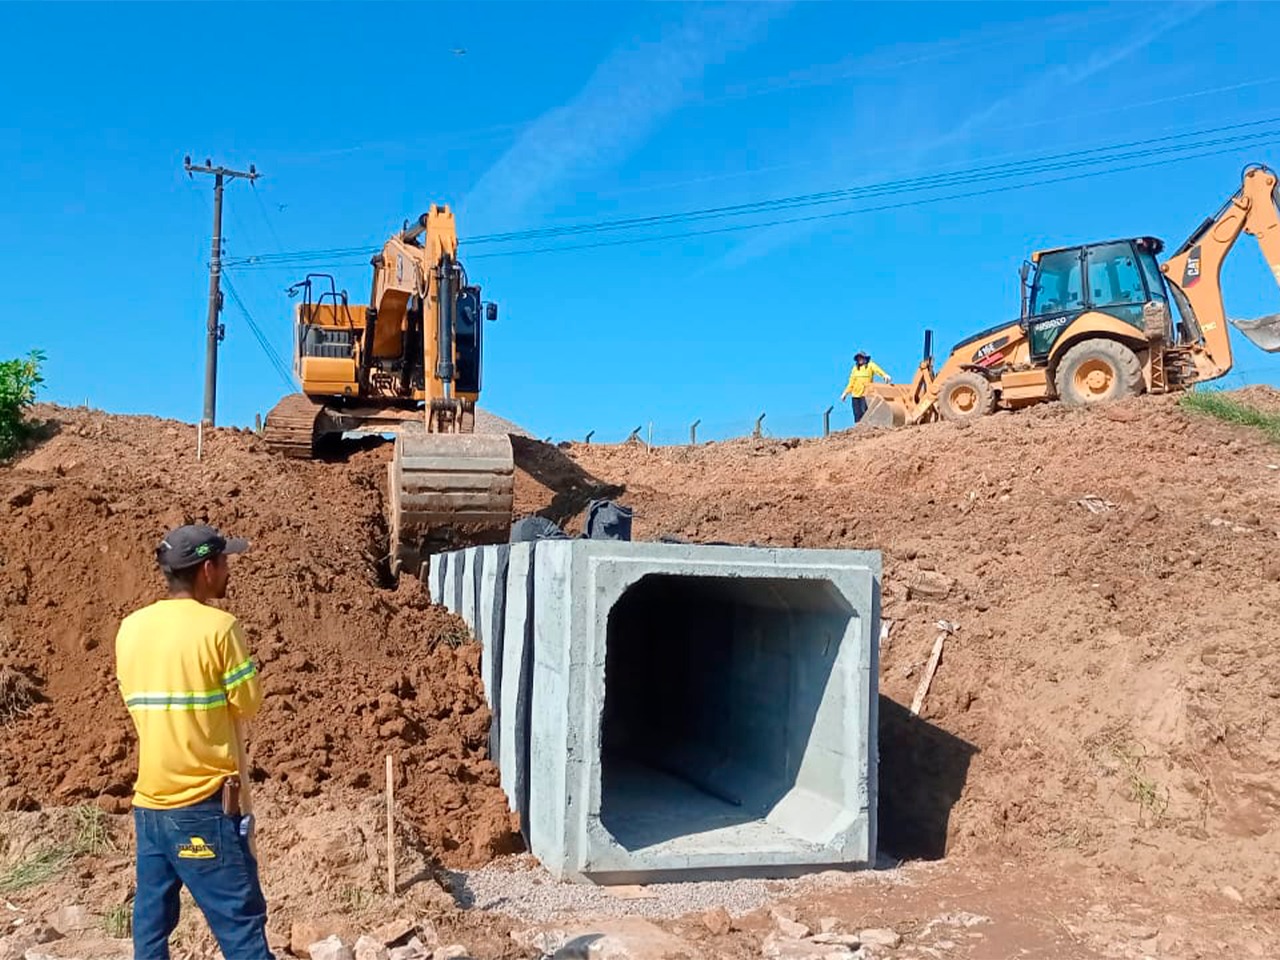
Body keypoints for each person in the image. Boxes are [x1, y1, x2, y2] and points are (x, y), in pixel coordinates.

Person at [114, 523, 272, 960]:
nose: (228, 571)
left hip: (150, 808)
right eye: (224, 562)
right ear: (207, 568)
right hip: (201, 805)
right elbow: (248, 704)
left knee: (150, 929)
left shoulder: (131, 628)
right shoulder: (220, 629)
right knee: (242, 928)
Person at [839, 351, 892, 423]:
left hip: (866, 394)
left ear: (865, 358)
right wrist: (845, 393)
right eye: (858, 358)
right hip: (855, 395)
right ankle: (858, 430)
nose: (860, 359)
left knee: (866, 413)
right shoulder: (855, 369)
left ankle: (868, 428)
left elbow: (877, 370)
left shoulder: (870, 365)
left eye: (861, 357)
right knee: (857, 415)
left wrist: (884, 375)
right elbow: (851, 382)